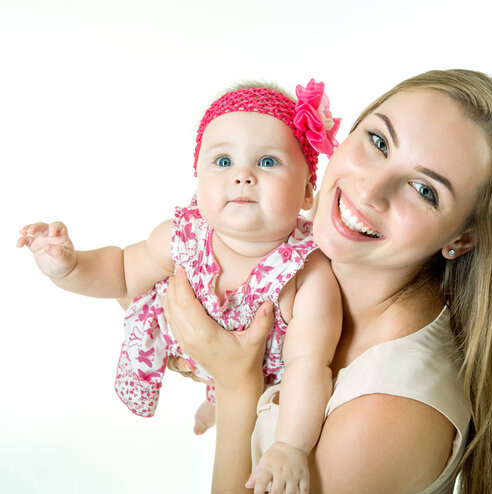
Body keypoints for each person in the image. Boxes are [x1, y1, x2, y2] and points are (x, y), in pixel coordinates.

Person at [164, 69, 492, 493]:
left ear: (460, 239)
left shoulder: (386, 411)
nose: (370, 190)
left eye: (424, 190)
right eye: (378, 141)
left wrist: (236, 386)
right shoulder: (297, 273)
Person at [16, 80, 344, 493]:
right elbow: (120, 270)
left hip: (267, 389)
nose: (242, 176)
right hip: (195, 355)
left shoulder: (306, 275)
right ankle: (214, 403)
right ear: (197, 177)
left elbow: (308, 367)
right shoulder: (181, 236)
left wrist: (291, 446)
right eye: (223, 162)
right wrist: (70, 266)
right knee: (145, 302)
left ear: (308, 192)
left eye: (268, 162)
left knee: (261, 433)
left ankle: (221, 409)